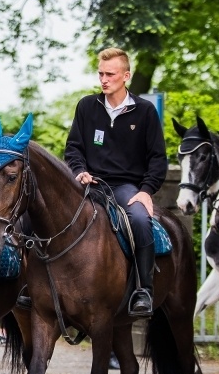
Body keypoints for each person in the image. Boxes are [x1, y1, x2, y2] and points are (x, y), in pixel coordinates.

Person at [65, 47, 167, 317]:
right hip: (88, 184)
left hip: (124, 188)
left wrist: (146, 191)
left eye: (110, 74)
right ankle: (36, 288)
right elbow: (73, 148)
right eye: (101, 73)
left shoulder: (144, 111)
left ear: (126, 76)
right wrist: (79, 170)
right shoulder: (87, 106)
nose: (104, 79)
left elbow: (158, 159)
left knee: (140, 219)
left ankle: (143, 290)